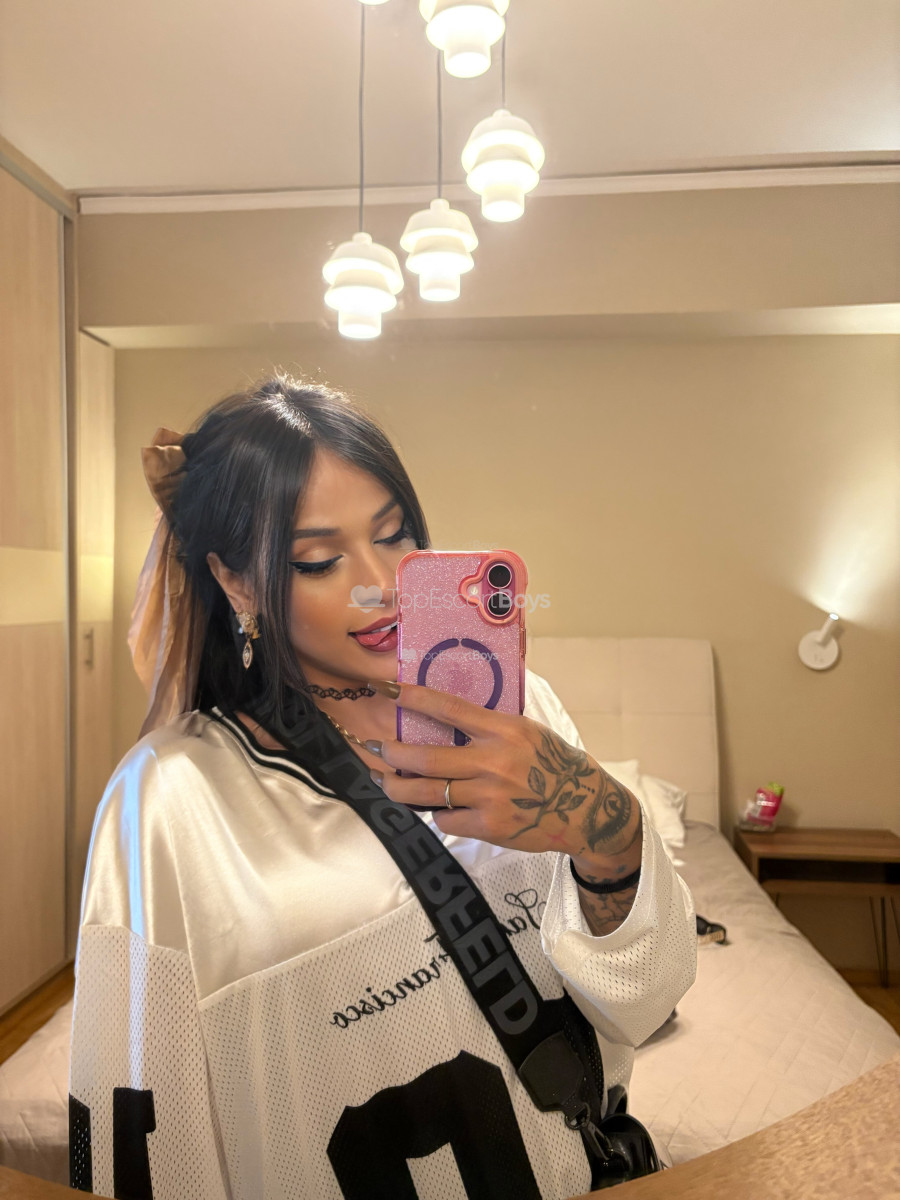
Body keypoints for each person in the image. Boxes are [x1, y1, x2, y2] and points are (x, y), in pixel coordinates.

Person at [68, 374, 697, 1200]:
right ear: (237, 581)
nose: (380, 582)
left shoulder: (518, 713)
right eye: (318, 559)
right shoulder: (169, 798)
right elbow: (148, 1134)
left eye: (396, 536)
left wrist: (609, 834)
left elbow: (640, 1005)